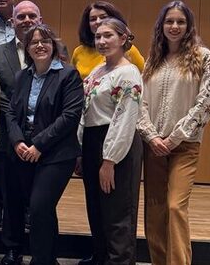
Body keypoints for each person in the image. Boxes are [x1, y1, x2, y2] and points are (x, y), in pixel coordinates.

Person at [138, 1, 210, 265]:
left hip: (184, 145)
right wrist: (152, 136)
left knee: (175, 207)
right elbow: (141, 104)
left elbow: (206, 102)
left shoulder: (202, 56)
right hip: (154, 146)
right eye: (169, 21)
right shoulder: (152, 60)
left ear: (188, 26)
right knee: (156, 210)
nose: (174, 26)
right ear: (161, 25)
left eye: (180, 22)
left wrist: (174, 138)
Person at [1, 24, 83, 265]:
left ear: (53, 45)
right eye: (34, 42)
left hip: (56, 154)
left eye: (44, 41)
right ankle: (47, 258)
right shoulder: (22, 76)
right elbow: (11, 114)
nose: (39, 45)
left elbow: (69, 116)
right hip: (24, 152)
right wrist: (17, 141)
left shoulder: (68, 75)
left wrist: (38, 145)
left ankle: (41, 259)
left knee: (38, 207)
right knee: (42, 210)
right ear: (27, 48)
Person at [77, 18, 143, 265]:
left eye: (108, 36)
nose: (102, 41)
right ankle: (100, 257)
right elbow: (86, 112)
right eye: (98, 36)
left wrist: (109, 160)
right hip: (94, 141)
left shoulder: (128, 73)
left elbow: (125, 119)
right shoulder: (98, 70)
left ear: (123, 38)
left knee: (118, 212)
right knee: (97, 208)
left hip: (116, 144)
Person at [0, 0, 42, 230]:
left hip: (40, 125)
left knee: (35, 179)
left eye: (32, 16)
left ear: (40, 20)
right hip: (5, 124)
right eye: (21, 17)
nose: (26, 20)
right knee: (4, 175)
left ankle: (30, 210)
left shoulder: (52, 49)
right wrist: (14, 118)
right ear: (12, 22)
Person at [72, 1, 145, 79]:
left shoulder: (128, 50)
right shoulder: (79, 52)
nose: (98, 21)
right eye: (93, 19)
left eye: (103, 17)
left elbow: (143, 77)